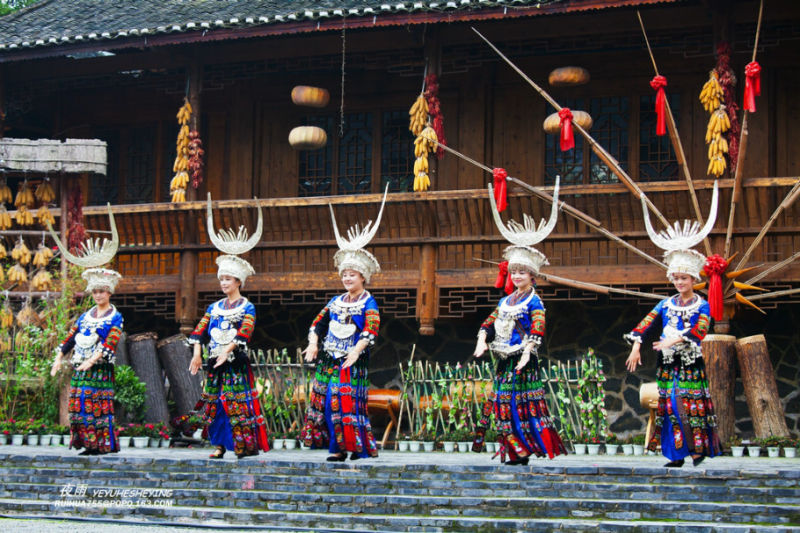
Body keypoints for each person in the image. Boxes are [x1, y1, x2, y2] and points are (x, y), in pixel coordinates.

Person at [625, 182, 721, 467]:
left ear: (693, 280)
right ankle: (677, 454)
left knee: (688, 406)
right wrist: (637, 345)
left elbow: (700, 330)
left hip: (690, 363)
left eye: (685, 278)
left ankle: (696, 450)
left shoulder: (701, 304)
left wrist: (674, 340)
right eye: (676, 278)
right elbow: (645, 324)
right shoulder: (665, 304)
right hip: (667, 364)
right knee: (670, 406)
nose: (680, 283)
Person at [472, 177, 566, 465]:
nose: (516, 277)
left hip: (523, 361)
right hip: (504, 360)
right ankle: (513, 451)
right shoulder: (505, 301)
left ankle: (523, 449)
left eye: (522, 273)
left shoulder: (534, 300)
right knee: (501, 404)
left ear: (532, 275)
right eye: (514, 272)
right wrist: (481, 341)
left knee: (519, 404)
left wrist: (527, 354)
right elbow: (489, 322)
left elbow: (538, 328)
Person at [300, 187, 388, 461]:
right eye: (345, 274)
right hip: (329, 358)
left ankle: (349, 448)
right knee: (326, 403)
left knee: (345, 404)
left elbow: (371, 329)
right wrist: (313, 343)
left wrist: (357, 349)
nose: (347, 279)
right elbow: (317, 323)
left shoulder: (368, 303)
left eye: (352, 275)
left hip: (351, 360)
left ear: (363, 277)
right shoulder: (336, 301)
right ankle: (338, 448)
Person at [187, 195, 269, 459]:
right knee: (216, 403)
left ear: (238, 282)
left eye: (228, 279)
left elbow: (245, 333)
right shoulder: (214, 308)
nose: (223, 283)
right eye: (221, 279)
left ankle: (242, 445)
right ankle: (219, 445)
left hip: (234, 363)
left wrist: (227, 351)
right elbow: (198, 331)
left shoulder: (247, 307)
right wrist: (198, 353)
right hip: (214, 363)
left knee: (235, 403)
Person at [48, 207, 124, 455]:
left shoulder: (115, 316)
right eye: (95, 291)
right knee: (77, 406)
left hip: (99, 369)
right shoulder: (85, 316)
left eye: (102, 291)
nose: (98, 295)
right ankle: (86, 443)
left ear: (109, 292)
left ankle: (101, 445)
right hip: (80, 366)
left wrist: (92, 361)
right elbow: (71, 338)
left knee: (97, 405)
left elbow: (110, 342)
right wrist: (59, 358)